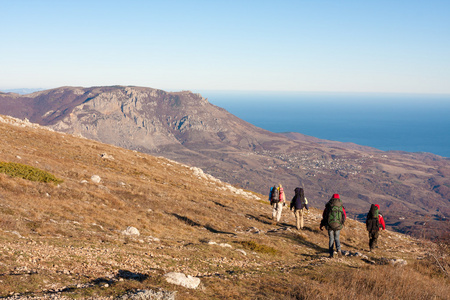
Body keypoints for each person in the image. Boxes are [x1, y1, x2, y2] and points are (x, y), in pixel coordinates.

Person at [320, 194, 346, 258]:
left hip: (329, 225)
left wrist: (322, 224)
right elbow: (344, 216)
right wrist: (341, 223)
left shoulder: (328, 206)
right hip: (338, 225)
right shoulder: (341, 207)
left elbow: (324, 216)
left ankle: (331, 254)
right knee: (337, 238)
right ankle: (339, 250)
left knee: (331, 239)